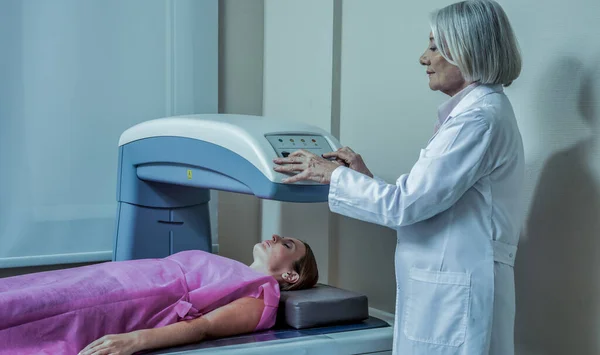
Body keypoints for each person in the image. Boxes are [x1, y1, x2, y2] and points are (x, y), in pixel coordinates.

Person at [273, 1, 523, 354]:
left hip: (458, 291)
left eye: (434, 46)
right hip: (449, 285)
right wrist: (363, 178)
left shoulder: (477, 120)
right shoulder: (476, 114)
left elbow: (405, 206)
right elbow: (425, 205)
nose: (424, 58)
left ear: (466, 51)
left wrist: (332, 175)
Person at [0, 234, 318, 355]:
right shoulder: (235, 268)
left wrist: (134, 340)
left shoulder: (262, 294)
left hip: (123, 300)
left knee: (27, 310)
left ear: (290, 274)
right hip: (109, 278)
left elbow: (203, 327)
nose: (275, 237)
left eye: (286, 245)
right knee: (25, 290)